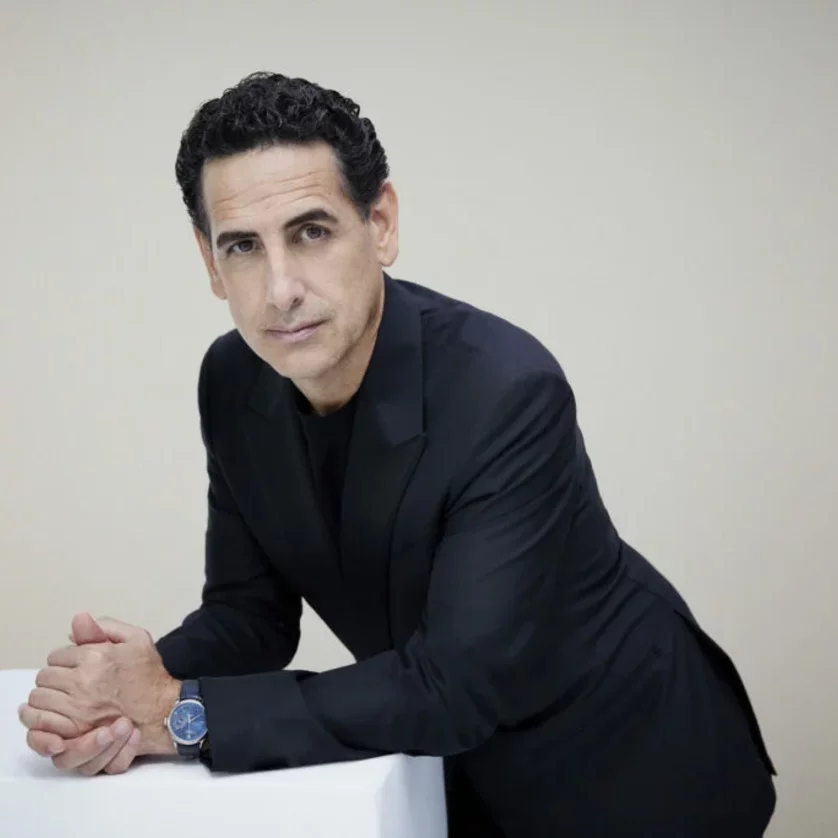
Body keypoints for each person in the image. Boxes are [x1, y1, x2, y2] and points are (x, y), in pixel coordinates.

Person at [19, 71, 776, 836]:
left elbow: (454, 686)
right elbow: (250, 615)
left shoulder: (506, 389)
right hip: (447, 772)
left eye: (311, 232)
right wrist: (123, 690)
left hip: (634, 766)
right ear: (211, 263)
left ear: (380, 223)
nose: (280, 289)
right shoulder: (233, 377)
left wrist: (179, 714)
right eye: (243, 246)